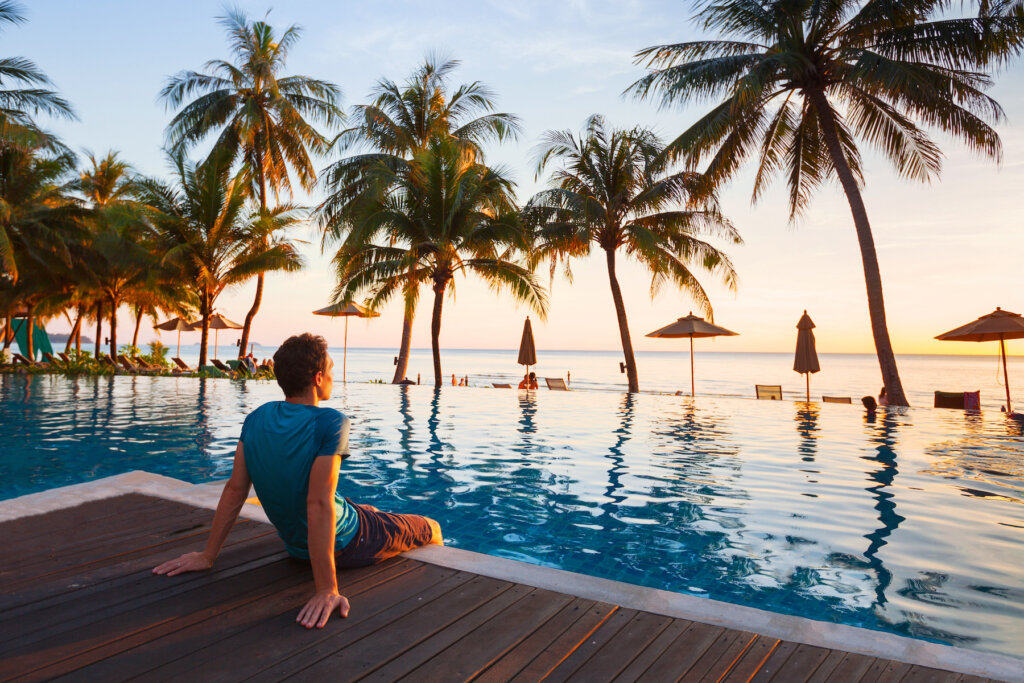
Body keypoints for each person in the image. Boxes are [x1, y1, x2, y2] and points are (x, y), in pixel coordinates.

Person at [153, 333, 443, 629]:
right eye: (330, 369)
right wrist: (326, 589)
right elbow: (317, 504)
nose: (332, 375)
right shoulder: (330, 423)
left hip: (297, 546)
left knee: (369, 509)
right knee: (431, 527)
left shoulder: (256, 418)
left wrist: (208, 555)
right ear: (318, 377)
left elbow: (235, 490)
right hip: (347, 543)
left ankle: (372, 518)